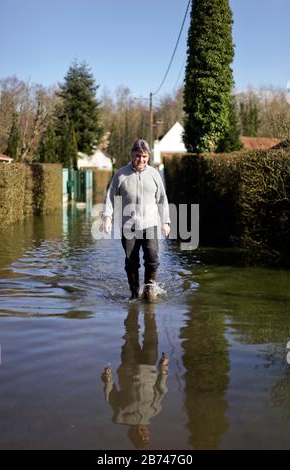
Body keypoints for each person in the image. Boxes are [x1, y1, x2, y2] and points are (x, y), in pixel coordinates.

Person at [103, 139, 170, 300]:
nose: (141, 159)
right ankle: (134, 293)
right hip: (129, 226)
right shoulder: (121, 174)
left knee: (152, 257)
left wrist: (165, 221)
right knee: (131, 262)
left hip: (150, 224)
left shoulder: (154, 175)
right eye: (138, 155)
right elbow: (110, 198)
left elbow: (162, 199)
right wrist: (107, 218)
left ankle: (149, 288)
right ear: (132, 155)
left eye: (145, 156)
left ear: (148, 157)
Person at [101, 302, 169, 448]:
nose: (144, 434)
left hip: (128, 367)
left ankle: (132, 309)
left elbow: (110, 395)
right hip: (149, 367)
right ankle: (149, 310)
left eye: (141, 438)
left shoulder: (120, 417)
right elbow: (161, 388)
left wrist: (107, 381)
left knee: (130, 335)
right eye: (147, 436)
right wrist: (163, 368)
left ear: (132, 436)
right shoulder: (154, 411)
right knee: (152, 335)